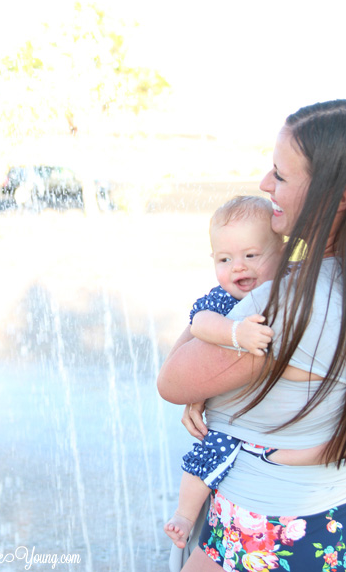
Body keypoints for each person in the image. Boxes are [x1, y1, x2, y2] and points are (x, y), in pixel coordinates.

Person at [158, 99, 346, 572]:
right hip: (325, 517)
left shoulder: (285, 304)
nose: (265, 184)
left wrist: (213, 320)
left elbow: (173, 381)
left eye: (281, 175)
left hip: (264, 531)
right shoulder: (324, 278)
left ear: (336, 195)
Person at [164, 195, 283, 549]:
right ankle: (184, 517)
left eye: (251, 255)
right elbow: (200, 324)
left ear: (282, 251)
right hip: (232, 411)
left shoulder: (296, 285)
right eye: (224, 259)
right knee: (208, 453)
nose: (238, 268)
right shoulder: (223, 301)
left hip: (269, 419)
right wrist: (236, 334)